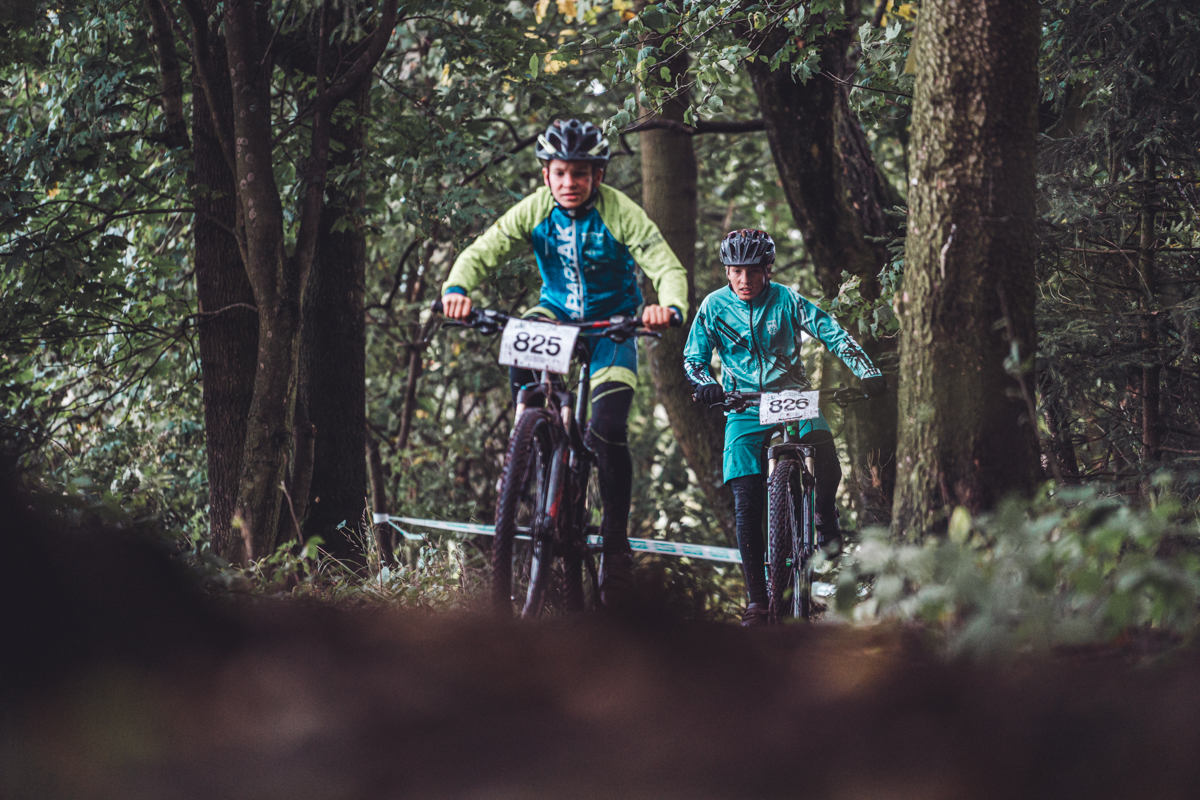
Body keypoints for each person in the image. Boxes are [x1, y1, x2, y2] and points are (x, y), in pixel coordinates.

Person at [440, 118, 688, 604]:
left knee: (608, 427)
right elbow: (485, 249)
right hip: (555, 314)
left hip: (614, 324)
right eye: (560, 173)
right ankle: (530, 442)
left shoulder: (620, 212)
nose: (569, 182)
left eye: (580, 173)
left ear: (598, 176)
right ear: (546, 175)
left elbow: (664, 262)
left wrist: (668, 305)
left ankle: (615, 544)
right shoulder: (536, 209)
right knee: (519, 338)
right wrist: (457, 289)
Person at [682, 229, 886, 625]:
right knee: (745, 502)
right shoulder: (713, 306)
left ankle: (824, 514)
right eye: (736, 271)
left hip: (794, 396)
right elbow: (694, 358)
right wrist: (706, 383)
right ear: (727, 271)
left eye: (753, 271)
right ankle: (757, 601)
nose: (744, 279)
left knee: (826, 458)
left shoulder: (787, 300)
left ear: (768, 270)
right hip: (742, 404)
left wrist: (867, 371)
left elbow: (832, 333)